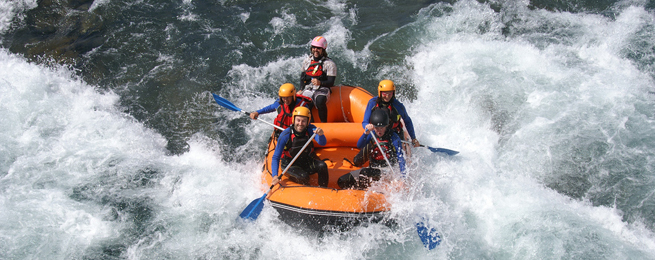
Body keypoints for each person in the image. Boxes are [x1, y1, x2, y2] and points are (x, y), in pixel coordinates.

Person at [338, 109, 406, 189]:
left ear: (386, 126)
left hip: (386, 171)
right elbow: (359, 145)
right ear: (373, 126)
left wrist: (402, 178)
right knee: (341, 181)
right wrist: (365, 134)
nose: (379, 131)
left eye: (382, 128)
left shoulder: (393, 137)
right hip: (373, 169)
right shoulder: (372, 134)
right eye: (377, 128)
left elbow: (400, 158)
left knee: (364, 172)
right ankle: (359, 191)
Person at [270, 106, 329, 187]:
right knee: (304, 177)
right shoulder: (285, 135)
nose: (300, 124)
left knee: (322, 166)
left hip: (305, 161)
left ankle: (323, 189)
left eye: (304, 121)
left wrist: (321, 135)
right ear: (294, 120)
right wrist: (275, 176)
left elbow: (322, 143)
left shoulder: (311, 129)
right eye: (298, 120)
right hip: (290, 164)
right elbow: (276, 157)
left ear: (308, 121)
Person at [362, 79, 420, 147]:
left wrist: (413, 138)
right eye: (384, 93)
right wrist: (367, 127)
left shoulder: (398, 106)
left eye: (390, 93)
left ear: (393, 93)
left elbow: (407, 121)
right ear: (380, 92)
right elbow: (365, 122)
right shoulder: (372, 103)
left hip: (393, 133)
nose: (387, 96)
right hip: (377, 131)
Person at [300, 36, 337, 123]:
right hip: (309, 88)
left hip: (323, 88)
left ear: (323, 49)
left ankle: (324, 123)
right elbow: (302, 78)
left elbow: (330, 82)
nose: (316, 50)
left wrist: (319, 82)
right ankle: (310, 124)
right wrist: (301, 89)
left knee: (320, 100)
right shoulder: (307, 61)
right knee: (304, 102)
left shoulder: (330, 64)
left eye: (318, 48)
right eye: (314, 47)